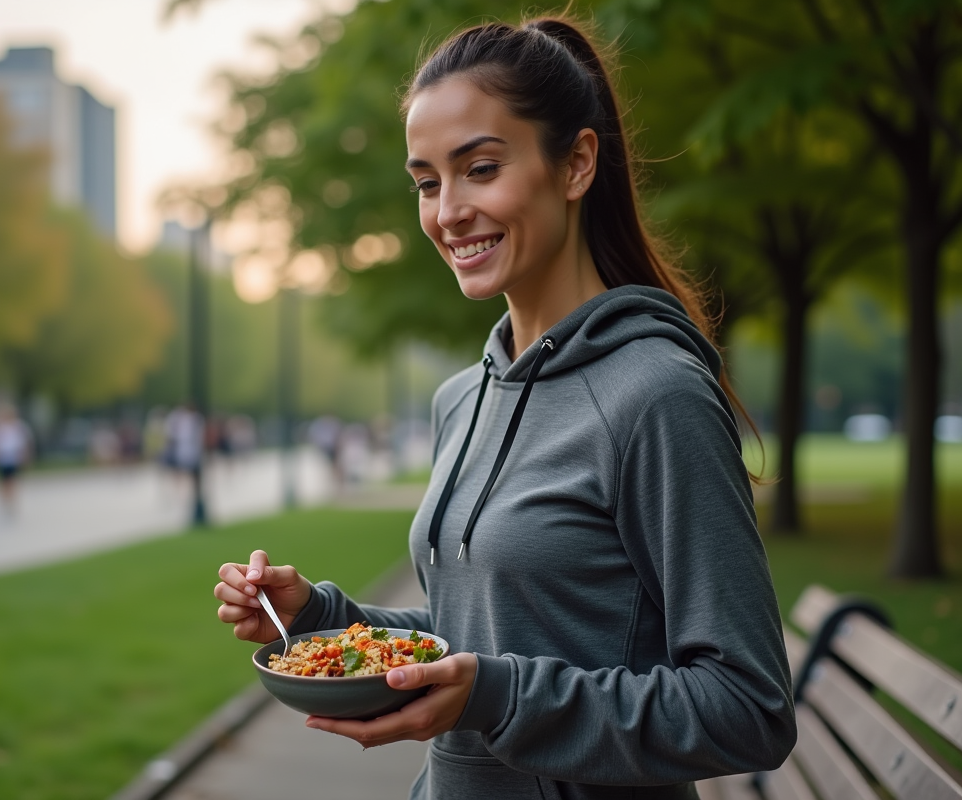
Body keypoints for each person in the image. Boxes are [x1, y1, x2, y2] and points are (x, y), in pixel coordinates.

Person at [214, 17, 796, 799]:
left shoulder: (657, 396)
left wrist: (502, 696)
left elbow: (748, 708)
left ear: (577, 164)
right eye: (426, 182)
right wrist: (320, 618)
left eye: (479, 168)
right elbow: (481, 638)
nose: (447, 211)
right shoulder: (463, 398)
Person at [0, 404, 32, 516]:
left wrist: (25, 456)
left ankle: (11, 499)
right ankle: (5, 499)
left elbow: (25, 443)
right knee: (2, 482)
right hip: (1, 457)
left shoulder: (19, 426)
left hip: (13, 457)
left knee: (11, 480)